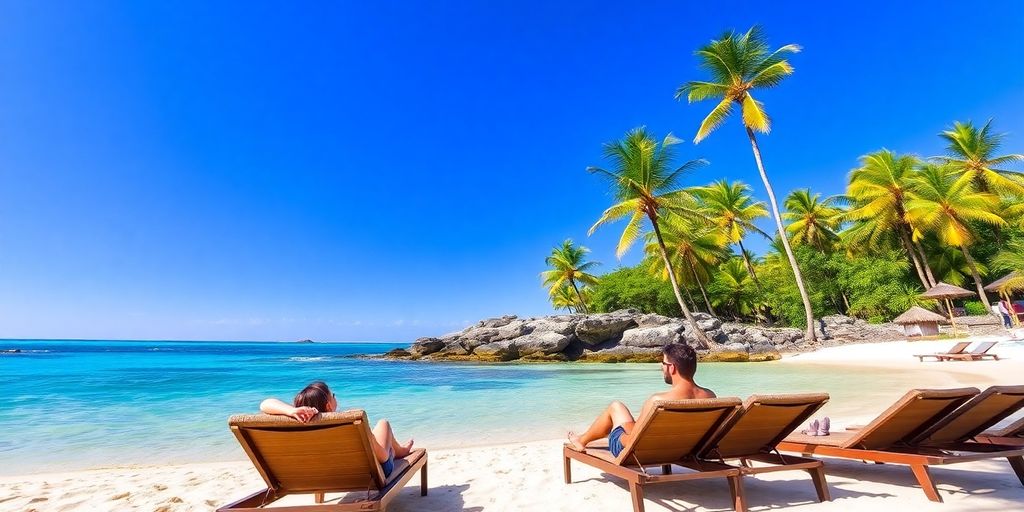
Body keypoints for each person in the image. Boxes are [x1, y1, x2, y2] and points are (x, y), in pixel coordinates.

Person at [567, 343, 716, 456]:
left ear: (672, 368)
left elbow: (633, 442)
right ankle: (584, 438)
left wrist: (619, 434)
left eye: (663, 364)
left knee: (615, 407)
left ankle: (582, 440)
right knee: (623, 413)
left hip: (645, 452)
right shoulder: (710, 396)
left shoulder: (658, 401)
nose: (661, 367)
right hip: (684, 449)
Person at [260, 381, 414, 477]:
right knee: (383, 424)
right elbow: (381, 457)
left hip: (319, 475)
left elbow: (265, 403)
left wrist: (291, 411)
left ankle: (398, 450)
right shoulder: (349, 420)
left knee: (382, 443)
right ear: (328, 405)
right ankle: (399, 451)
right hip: (367, 474)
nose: (335, 397)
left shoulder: (297, 423)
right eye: (333, 395)